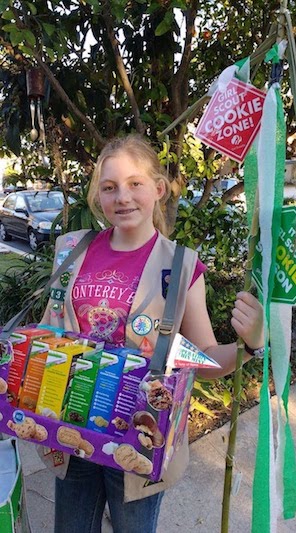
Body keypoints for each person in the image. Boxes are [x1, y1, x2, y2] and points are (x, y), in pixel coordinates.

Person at [40, 134, 264, 533]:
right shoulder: (72, 249)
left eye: (134, 184)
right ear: (99, 196)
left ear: (159, 189)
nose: (122, 197)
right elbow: (49, 333)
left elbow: (205, 358)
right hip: (71, 427)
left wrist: (249, 346)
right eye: (109, 188)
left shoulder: (180, 266)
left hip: (140, 438)